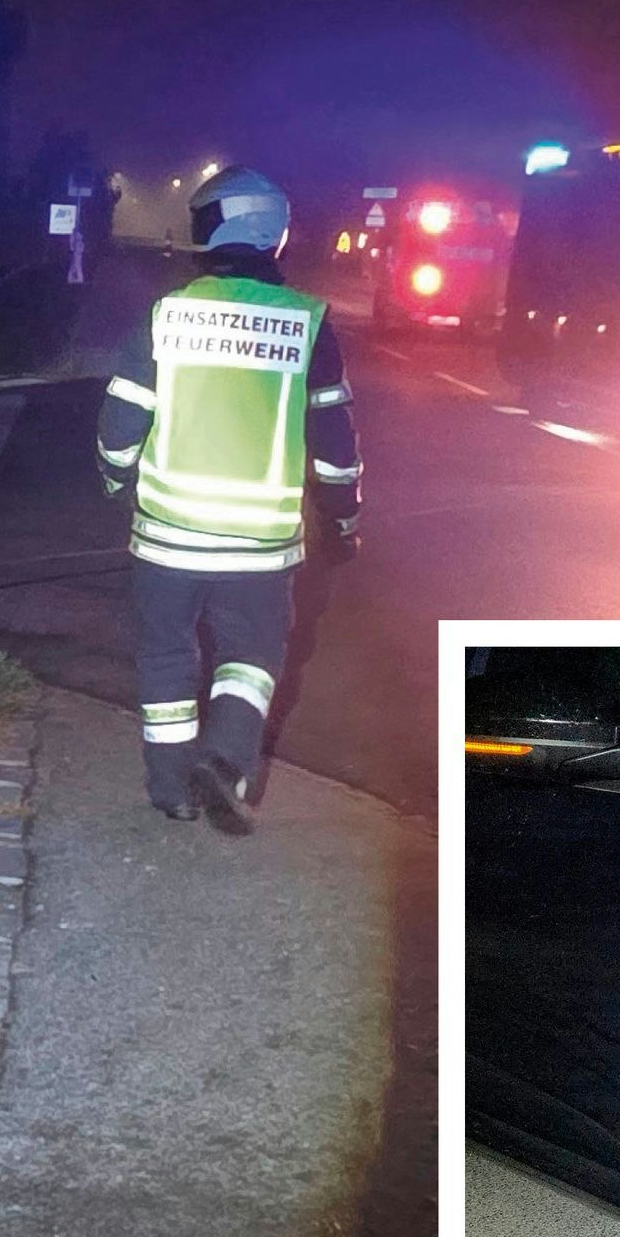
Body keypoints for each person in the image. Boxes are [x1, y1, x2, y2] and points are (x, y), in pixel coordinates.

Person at [94, 165, 360, 833]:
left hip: (167, 537)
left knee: (165, 656)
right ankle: (226, 758)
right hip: (261, 548)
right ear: (275, 235)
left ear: (210, 226)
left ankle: (170, 789)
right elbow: (333, 435)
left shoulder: (169, 313)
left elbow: (121, 417)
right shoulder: (308, 321)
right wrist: (344, 514)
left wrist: (114, 480)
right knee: (251, 657)